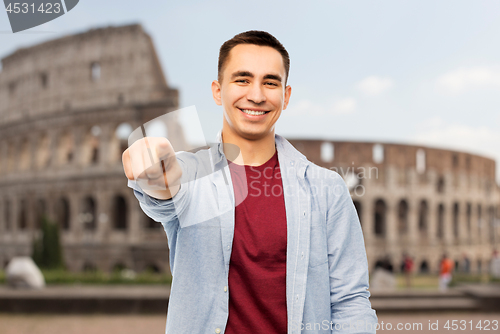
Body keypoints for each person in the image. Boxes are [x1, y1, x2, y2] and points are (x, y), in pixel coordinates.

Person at [123, 31, 377, 333]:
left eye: (270, 82)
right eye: (242, 80)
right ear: (218, 91)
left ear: (286, 96)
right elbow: (162, 195)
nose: (256, 95)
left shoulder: (327, 189)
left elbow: (351, 300)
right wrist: (150, 167)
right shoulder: (192, 175)